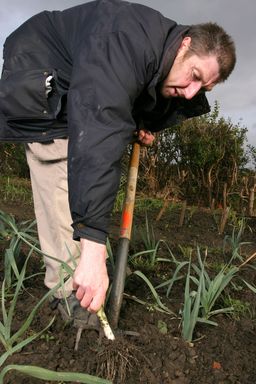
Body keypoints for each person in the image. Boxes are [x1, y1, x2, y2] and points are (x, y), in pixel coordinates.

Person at [0, 0, 236, 326]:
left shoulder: (158, 53)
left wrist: (139, 122)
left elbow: (123, 98)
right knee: (57, 164)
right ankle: (70, 298)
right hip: (42, 73)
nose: (191, 92)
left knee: (87, 191)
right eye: (194, 75)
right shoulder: (124, 38)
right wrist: (94, 246)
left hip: (79, 84)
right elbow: (99, 126)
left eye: (204, 87)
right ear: (184, 45)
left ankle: (87, 276)